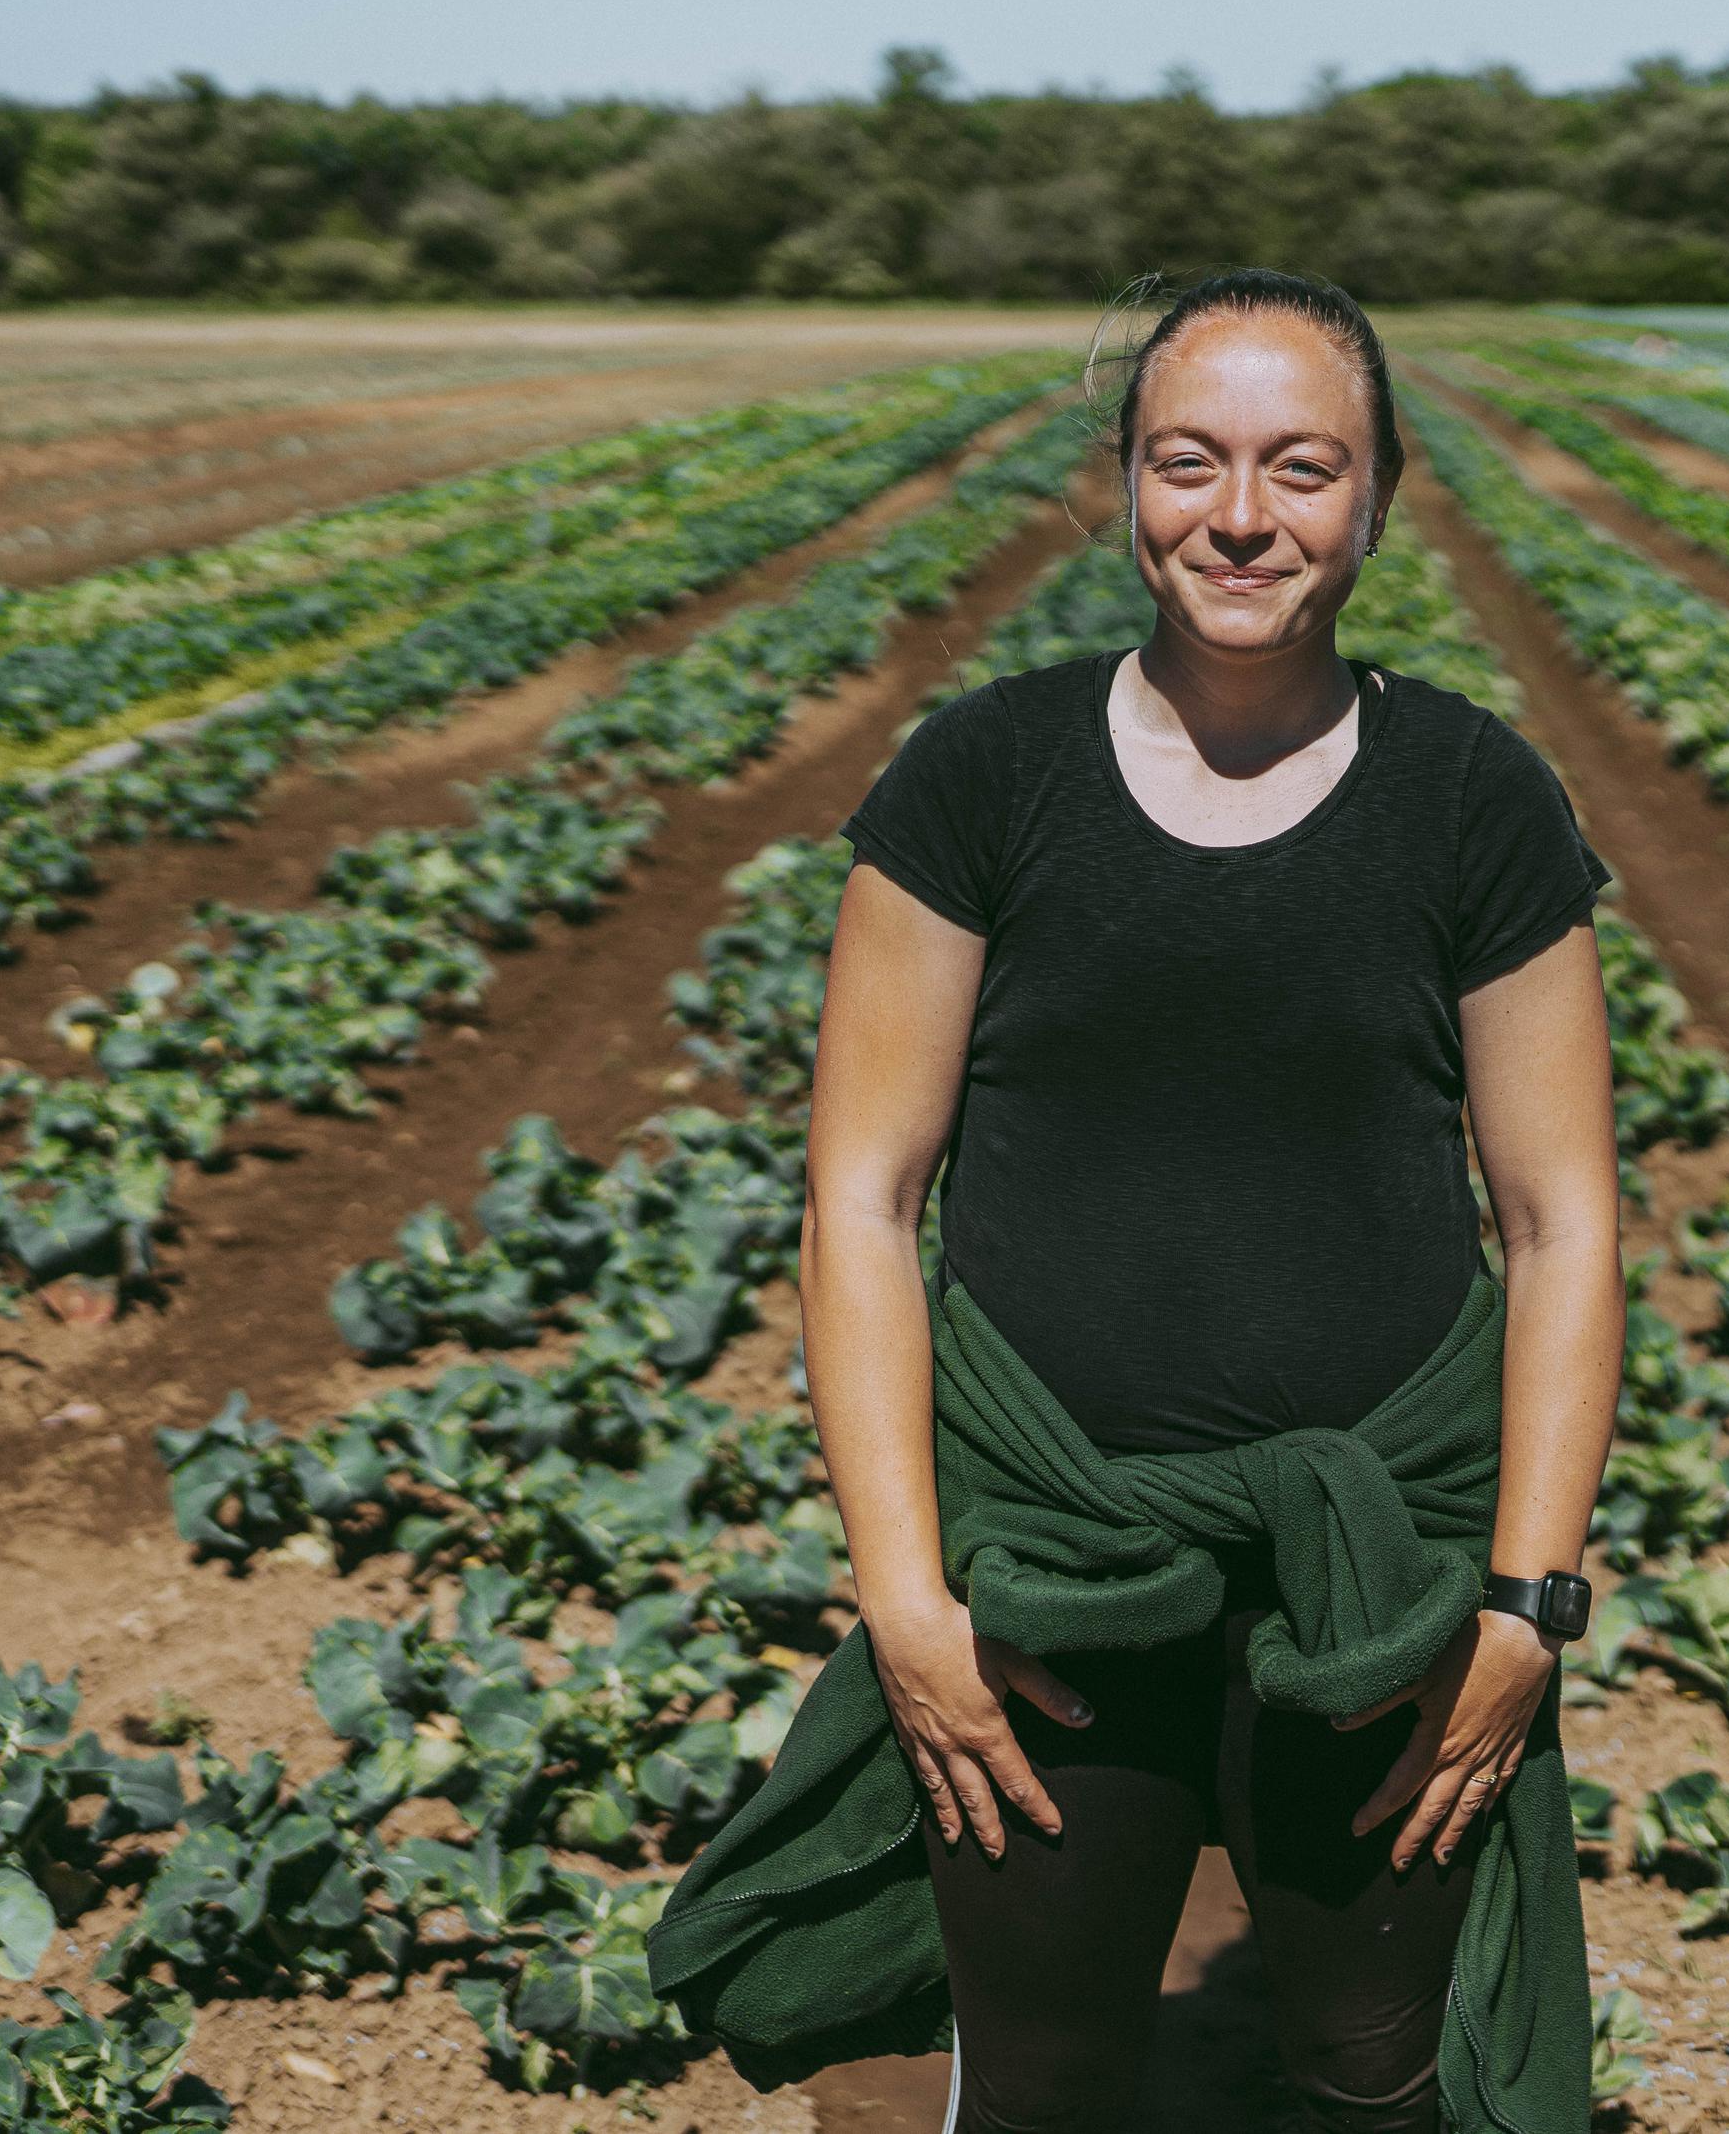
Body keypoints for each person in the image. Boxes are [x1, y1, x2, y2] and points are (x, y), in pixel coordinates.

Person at [648, 270, 1625, 2134]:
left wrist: (1522, 1606)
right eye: (1190, 461)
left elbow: (1565, 1224)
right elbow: (860, 1201)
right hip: (1048, 1568)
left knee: (1369, 2074)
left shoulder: (1475, 799)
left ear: (1383, 492)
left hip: (1379, 1571)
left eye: (1302, 466)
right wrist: (909, 1598)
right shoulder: (983, 779)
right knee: (1044, 2085)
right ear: (1125, 480)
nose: (1240, 516)